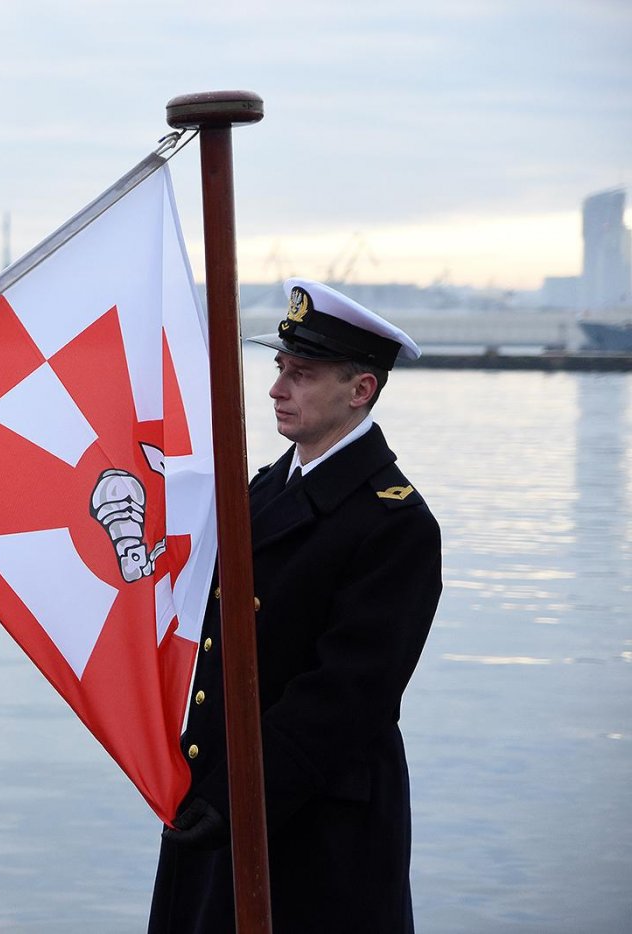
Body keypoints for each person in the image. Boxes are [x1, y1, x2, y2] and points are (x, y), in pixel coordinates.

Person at [148, 278, 443, 932]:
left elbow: (346, 697)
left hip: (309, 818)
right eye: (280, 368)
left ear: (360, 389)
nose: (277, 388)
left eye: (302, 374)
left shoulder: (393, 522)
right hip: (227, 796)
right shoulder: (262, 490)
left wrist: (235, 800)